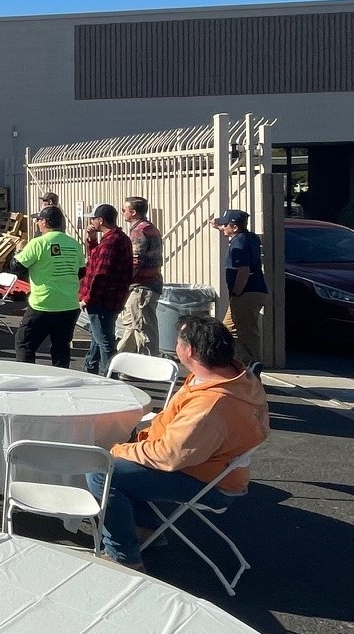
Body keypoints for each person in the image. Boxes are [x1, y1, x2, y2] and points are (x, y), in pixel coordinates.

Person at [88, 315, 270, 569]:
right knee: (120, 454)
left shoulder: (211, 405)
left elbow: (169, 456)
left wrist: (120, 450)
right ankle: (146, 527)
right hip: (210, 467)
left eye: (178, 342)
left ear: (190, 350)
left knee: (102, 471)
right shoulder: (237, 378)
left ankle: (123, 556)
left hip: (208, 481)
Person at [13, 207, 85, 368]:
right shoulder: (74, 244)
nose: (37, 223)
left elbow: (16, 266)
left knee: (24, 343)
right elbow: (81, 271)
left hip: (43, 303)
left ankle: (26, 378)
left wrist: (18, 250)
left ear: (44, 222)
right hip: (69, 304)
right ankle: (61, 381)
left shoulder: (38, 243)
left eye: (38, 220)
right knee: (61, 348)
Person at [79, 204, 134, 376]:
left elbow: (100, 274)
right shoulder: (117, 238)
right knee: (98, 338)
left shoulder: (110, 242)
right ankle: (90, 369)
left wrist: (87, 298)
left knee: (104, 341)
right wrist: (92, 239)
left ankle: (110, 376)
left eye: (93, 218)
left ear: (100, 220)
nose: (91, 221)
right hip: (112, 298)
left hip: (102, 300)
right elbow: (97, 260)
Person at [214, 210, 267, 372]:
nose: (223, 227)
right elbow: (230, 229)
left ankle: (250, 363)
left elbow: (243, 269)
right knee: (230, 331)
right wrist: (219, 226)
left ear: (235, 227)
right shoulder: (250, 237)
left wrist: (237, 292)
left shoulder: (238, 242)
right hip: (256, 291)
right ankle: (248, 365)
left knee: (244, 332)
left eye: (225, 225)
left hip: (245, 293)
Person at [117, 197, 164, 356]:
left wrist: (124, 281)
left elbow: (136, 260)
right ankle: (124, 360)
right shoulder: (150, 228)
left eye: (124, 210)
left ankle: (149, 362)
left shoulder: (138, 230)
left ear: (133, 212)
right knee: (133, 323)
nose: (122, 212)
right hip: (150, 283)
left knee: (143, 326)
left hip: (142, 285)